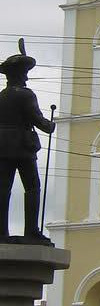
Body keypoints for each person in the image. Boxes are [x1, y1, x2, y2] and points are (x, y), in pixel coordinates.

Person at [0, 39, 55, 242]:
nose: (26, 76)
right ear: (20, 74)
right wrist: (50, 126)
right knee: (32, 186)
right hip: (23, 146)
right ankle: (31, 231)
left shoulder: (2, 96)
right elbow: (37, 119)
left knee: (3, 188)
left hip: (2, 147)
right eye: (24, 72)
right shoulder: (25, 95)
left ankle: (1, 232)